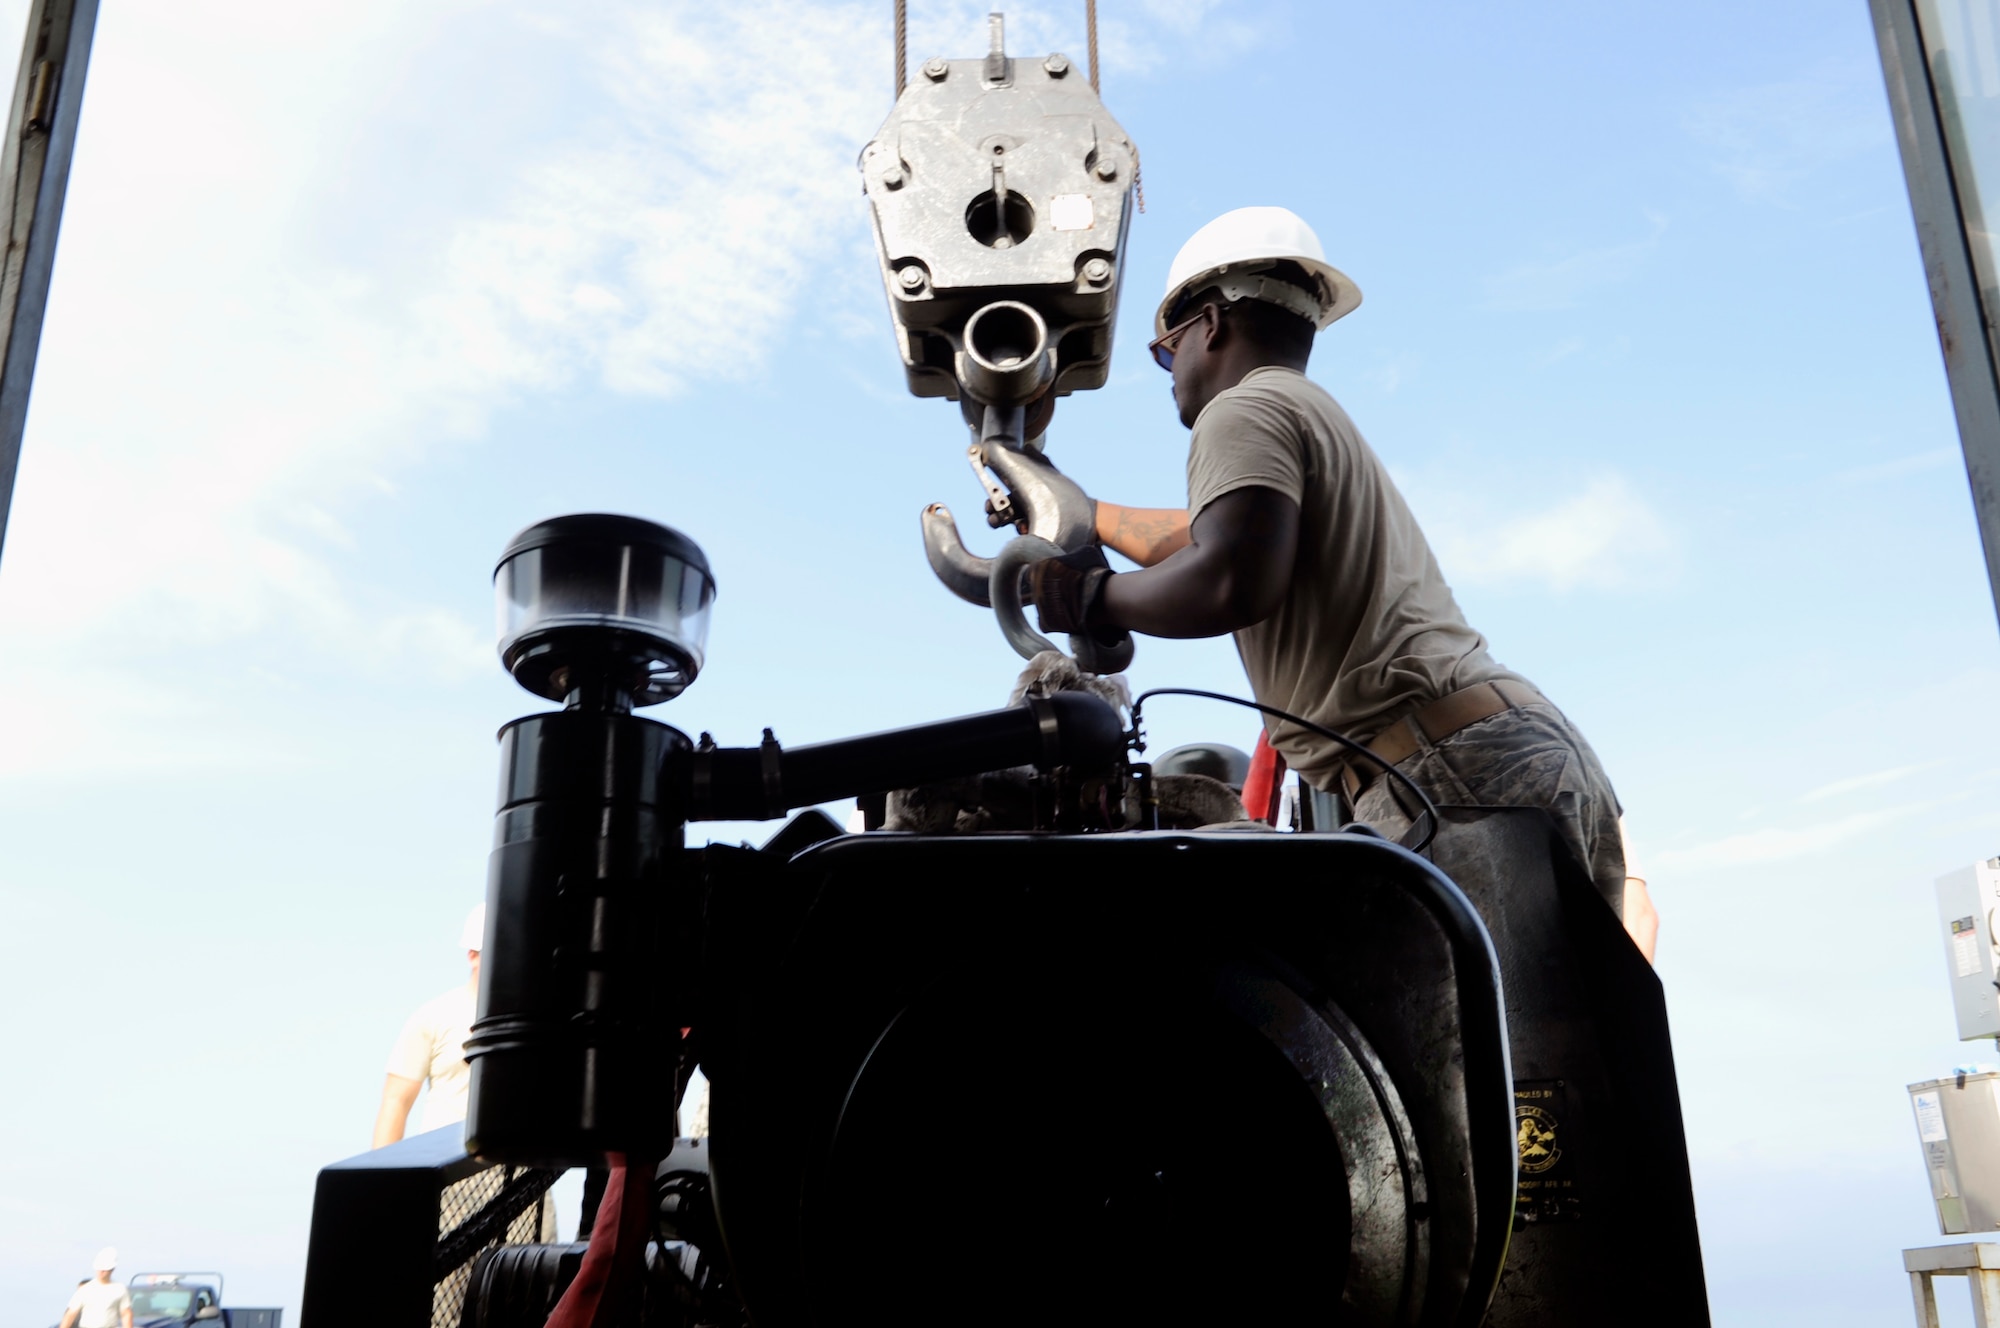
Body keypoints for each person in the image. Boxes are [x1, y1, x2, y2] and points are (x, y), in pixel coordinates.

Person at [1026, 206, 1659, 958]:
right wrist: (1081, 510)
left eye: (1167, 352)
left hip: (1444, 773)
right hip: (1509, 751)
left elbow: (1229, 577)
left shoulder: (1241, 410)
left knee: (1451, 1067)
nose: (1171, 376)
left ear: (1212, 323)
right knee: (1545, 1067)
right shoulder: (1303, 412)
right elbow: (1211, 538)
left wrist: (1091, 598)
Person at [373, 904, 483, 1146]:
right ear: (473, 955)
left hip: (526, 1179)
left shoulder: (540, 1022)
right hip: (451, 1177)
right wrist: (379, 1180)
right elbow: (396, 1102)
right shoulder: (435, 1015)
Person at [58, 1248, 131, 1328]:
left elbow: (126, 1313)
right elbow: (71, 1314)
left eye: (104, 1270)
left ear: (111, 1270)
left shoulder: (119, 1289)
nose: (101, 1272)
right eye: (99, 1269)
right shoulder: (85, 1289)